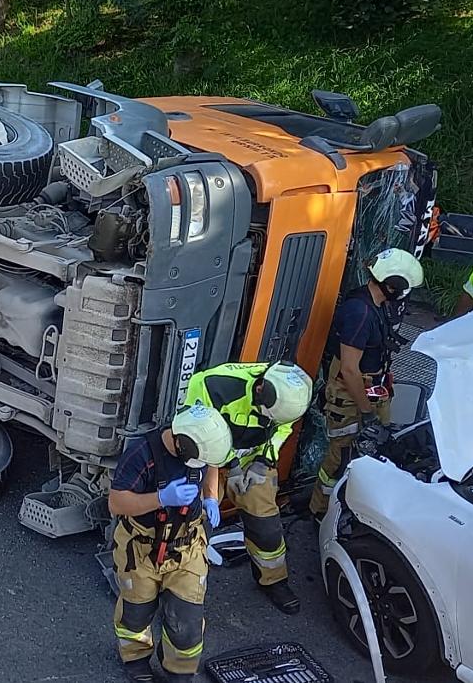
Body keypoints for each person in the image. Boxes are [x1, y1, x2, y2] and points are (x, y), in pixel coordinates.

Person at [108, 402, 233, 683]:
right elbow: (117, 502)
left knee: (187, 620)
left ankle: (179, 671)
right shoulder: (141, 455)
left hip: (186, 548)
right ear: (183, 445)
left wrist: (211, 496)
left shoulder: (202, 447)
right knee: (136, 612)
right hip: (141, 549)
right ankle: (136, 659)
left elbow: (211, 464)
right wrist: (161, 499)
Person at [181, 360, 312, 615]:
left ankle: (273, 579)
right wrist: (231, 465)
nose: (265, 418)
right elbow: (198, 432)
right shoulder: (213, 385)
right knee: (192, 518)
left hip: (252, 459)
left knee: (266, 523)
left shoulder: (291, 397)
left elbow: (283, 428)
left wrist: (264, 461)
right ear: (260, 387)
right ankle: (179, 587)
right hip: (208, 458)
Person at [309, 248, 424, 519]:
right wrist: (366, 412)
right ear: (394, 285)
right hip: (352, 398)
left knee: (376, 449)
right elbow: (349, 370)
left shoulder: (379, 304)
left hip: (373, 389)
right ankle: (320, 509)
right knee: (340, 454)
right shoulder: (359, 313)